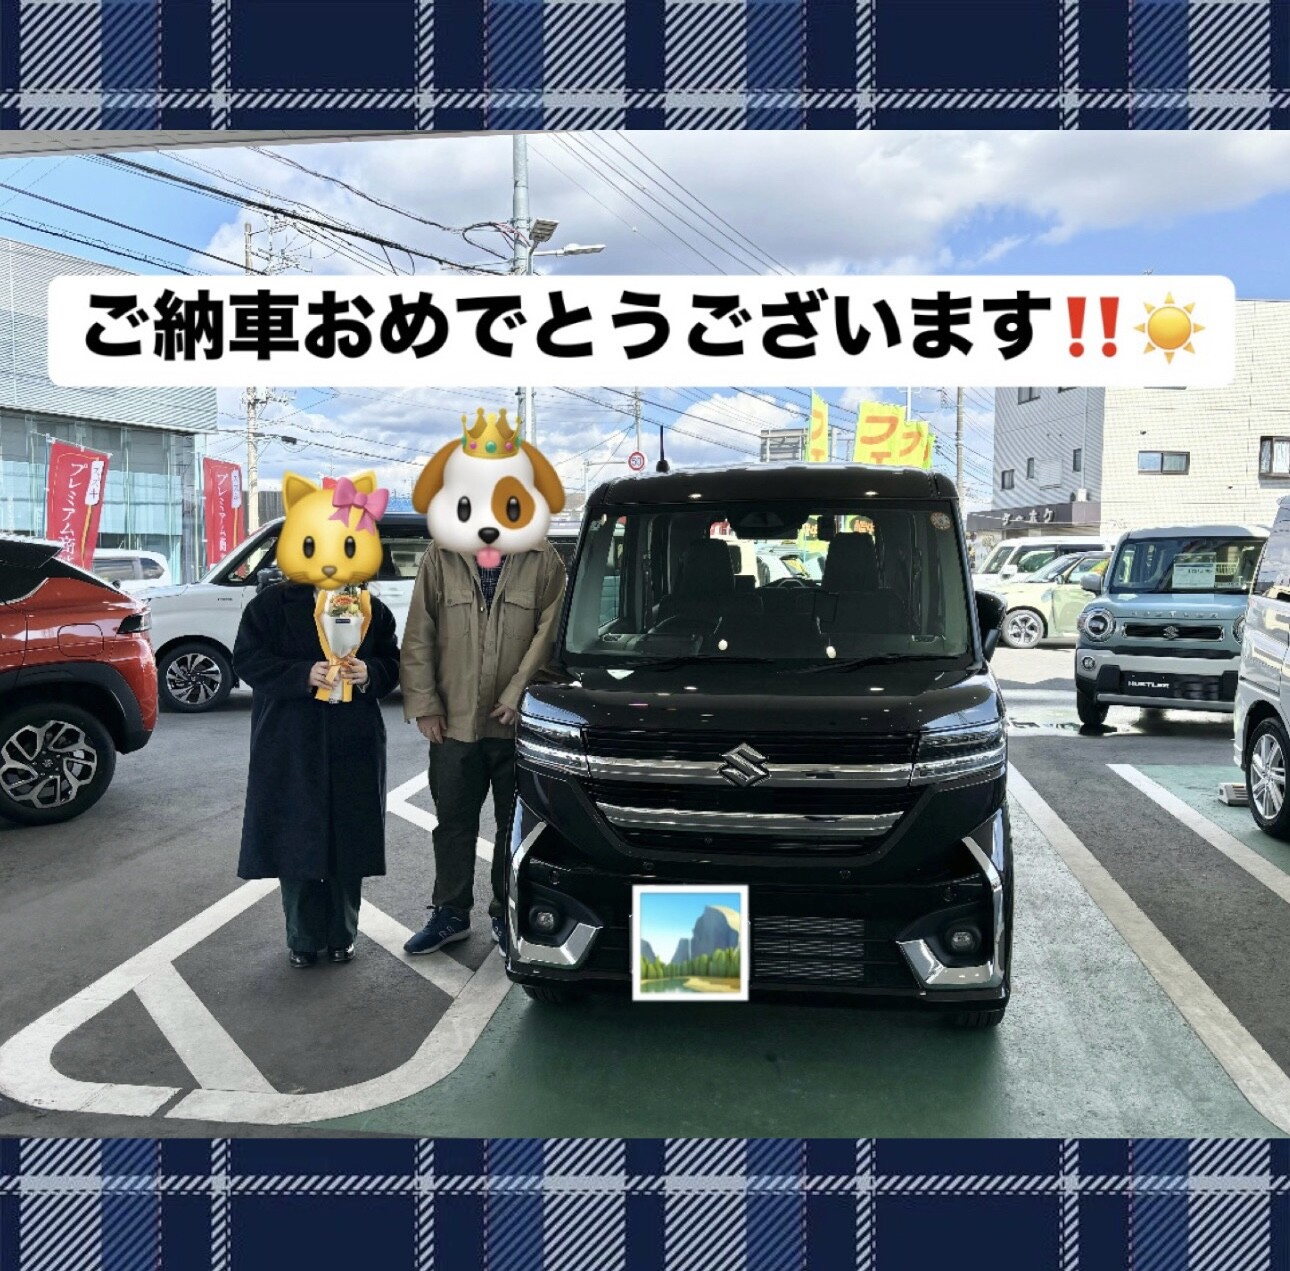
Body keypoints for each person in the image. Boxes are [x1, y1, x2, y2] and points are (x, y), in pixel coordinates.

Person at [399, 411, 567, 956]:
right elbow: (419, 634)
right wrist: (424, 703)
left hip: (515, 724)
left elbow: (549, 634)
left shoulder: (543, 559)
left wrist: (519, 694)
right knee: (452, 822)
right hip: (453, 722)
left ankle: (504, 912)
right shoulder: (441, 555)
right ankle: (450, 913)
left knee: (513, 825)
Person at [234, 471, 401, 968]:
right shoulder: (270, 605)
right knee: (297, 839)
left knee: (349, 841)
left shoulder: (370, 608)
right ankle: (303, 939)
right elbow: (248, 661)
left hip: (353, 738)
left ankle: (343, 934)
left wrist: (370, 672)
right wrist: (301, 674)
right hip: (291, 739)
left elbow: (393, 663)